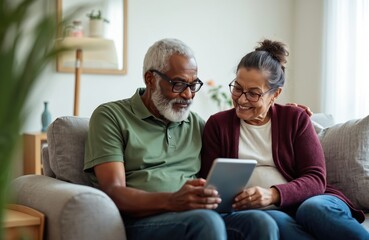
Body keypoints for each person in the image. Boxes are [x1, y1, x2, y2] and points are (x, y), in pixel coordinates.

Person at [84, 38, 283, 240]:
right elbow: (113, 191)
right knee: (206, 221)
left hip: (197, 215)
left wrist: (277, 111)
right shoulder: (111, 116)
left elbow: (240, 122)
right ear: (150, 79)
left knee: (260, 221)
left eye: (193, 85)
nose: (188, 95)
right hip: (142, 221)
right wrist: (172, 201)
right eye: (178, 84)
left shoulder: (196, 124)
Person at [200, 39, 369, 240]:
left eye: (254, 93)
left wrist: (273, 195)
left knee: (313, 208)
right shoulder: (217, 125)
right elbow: (210, 184)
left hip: (314, 200)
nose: (242, 99)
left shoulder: (294, 119)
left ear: (275, 94)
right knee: (273, 221)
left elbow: (316, 179)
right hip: (264, 212)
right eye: (237, 88)